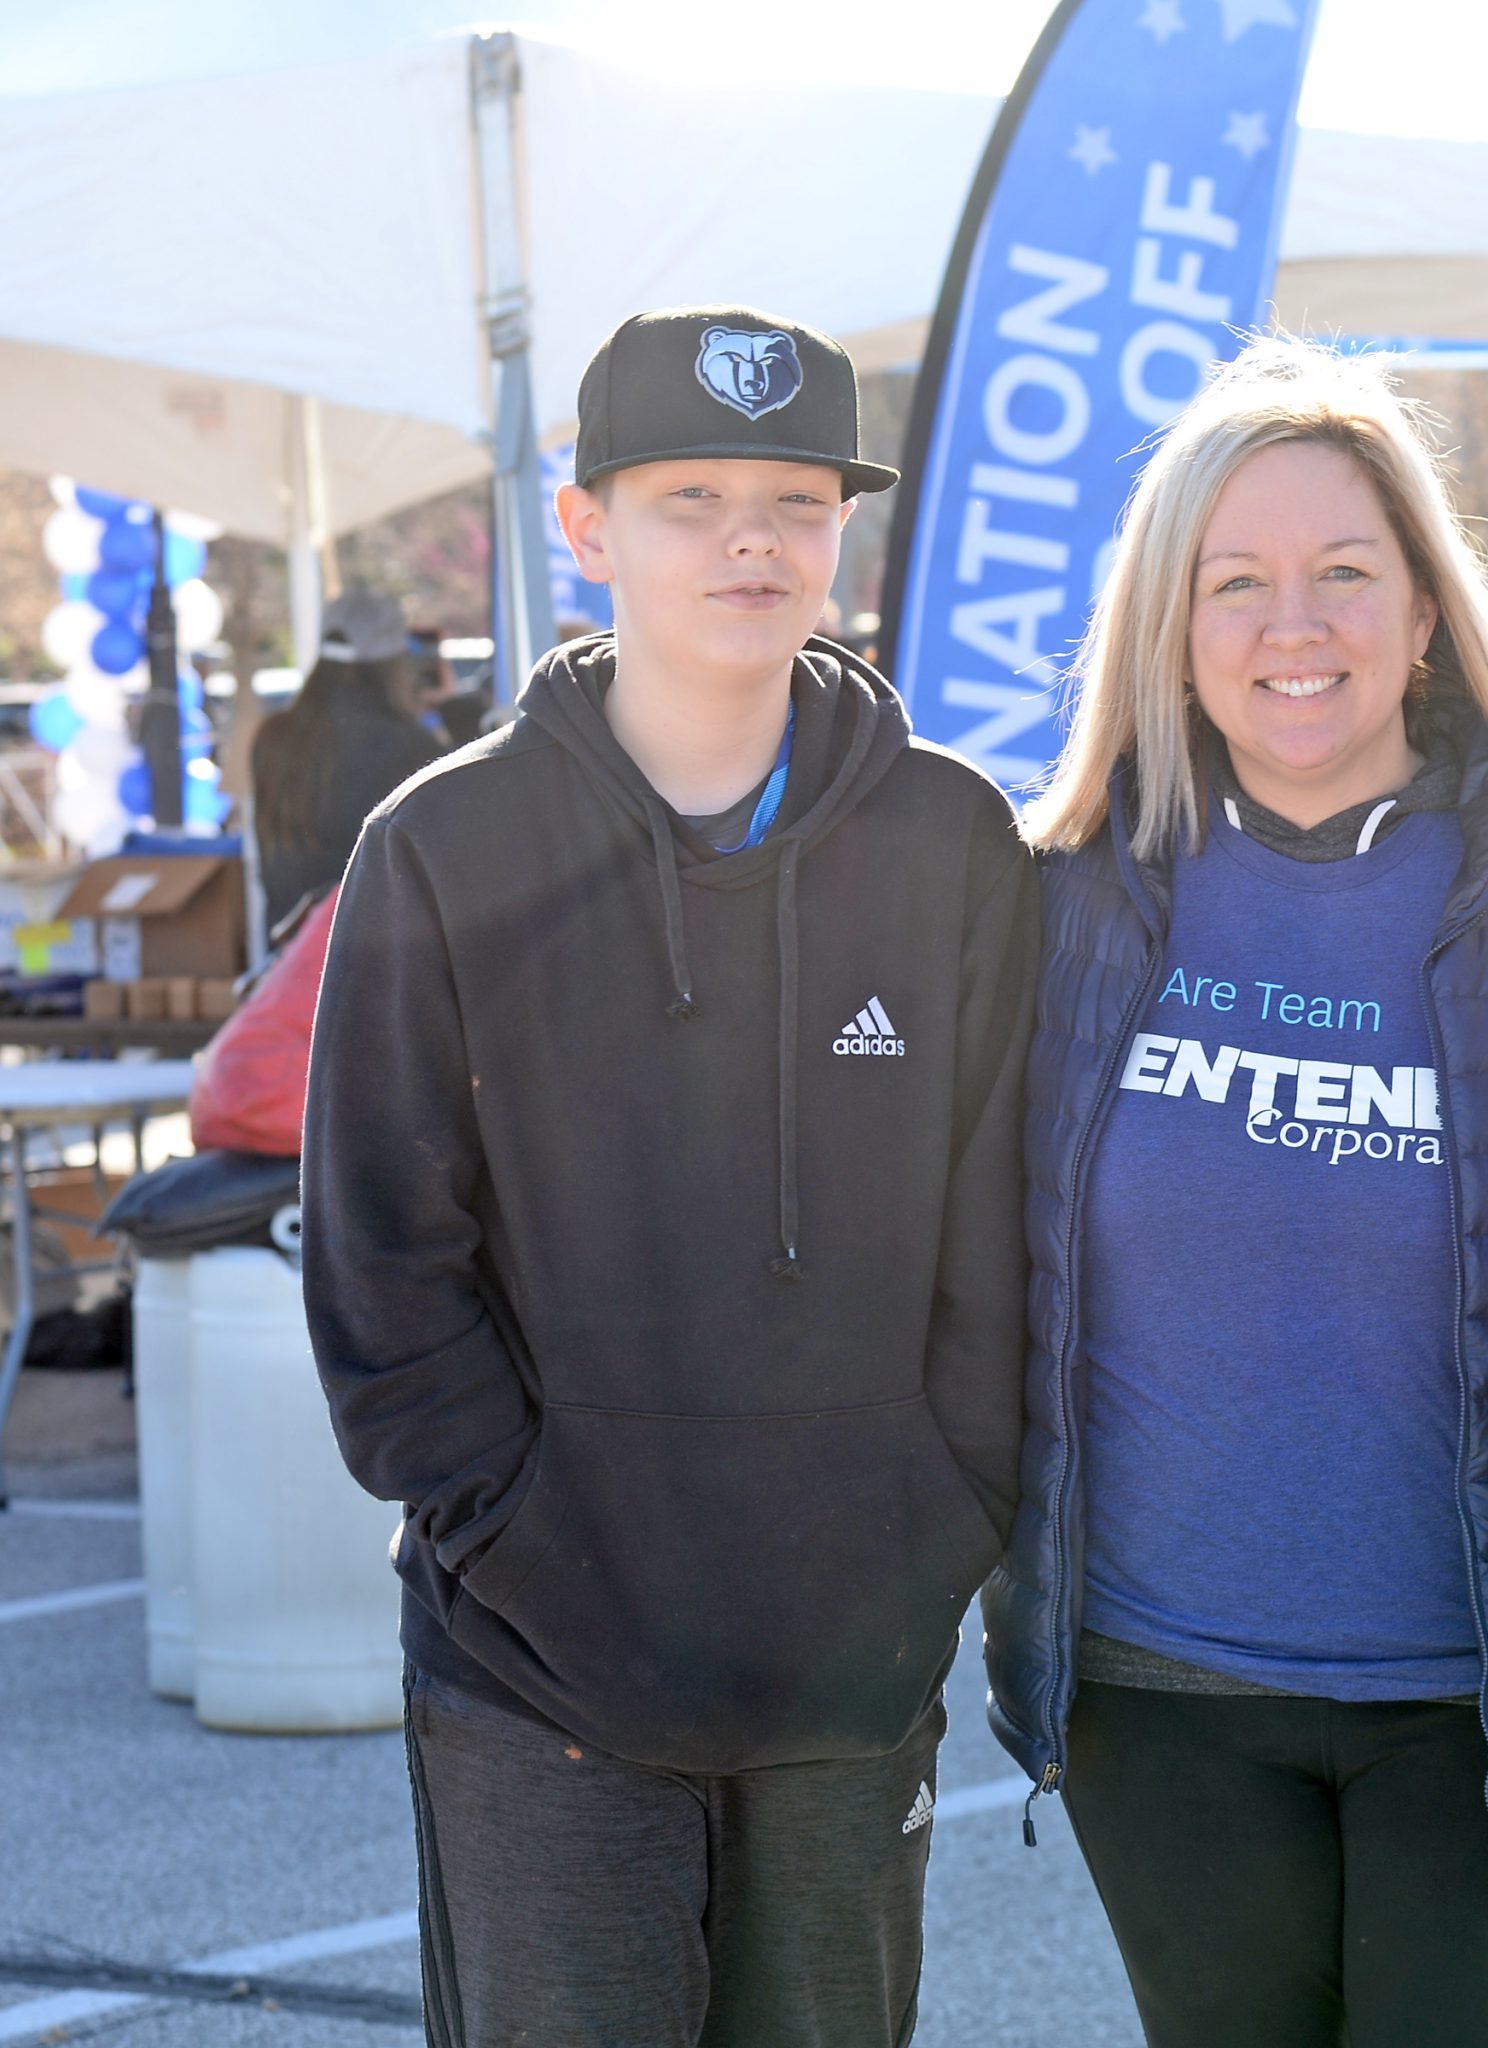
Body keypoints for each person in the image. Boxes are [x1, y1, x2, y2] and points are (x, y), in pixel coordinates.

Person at [303, 306, 1039, 2048]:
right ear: (587, 529)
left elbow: (1005, 1241)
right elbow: (382, 1265)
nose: (749, 541)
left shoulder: (953, 840)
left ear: (842, 531)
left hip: (853, 1669)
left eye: (796, 500)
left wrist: (938, 1524)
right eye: (689, 497)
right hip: (538, 1676)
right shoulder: (443, 845)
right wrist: (520, 1542)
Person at [984, 336, 1488, 2048]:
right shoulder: (1060, 897)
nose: (1291, 624)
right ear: (1170, 626)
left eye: (1344, 572)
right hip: (1160, 1688)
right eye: (1234, 581)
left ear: (1427, 607)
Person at [248, 587, 444, 931]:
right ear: (396, 661)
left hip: (288, 945)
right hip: (368, 949)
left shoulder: (273, 736)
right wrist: (455, 711)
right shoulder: (410, 747)